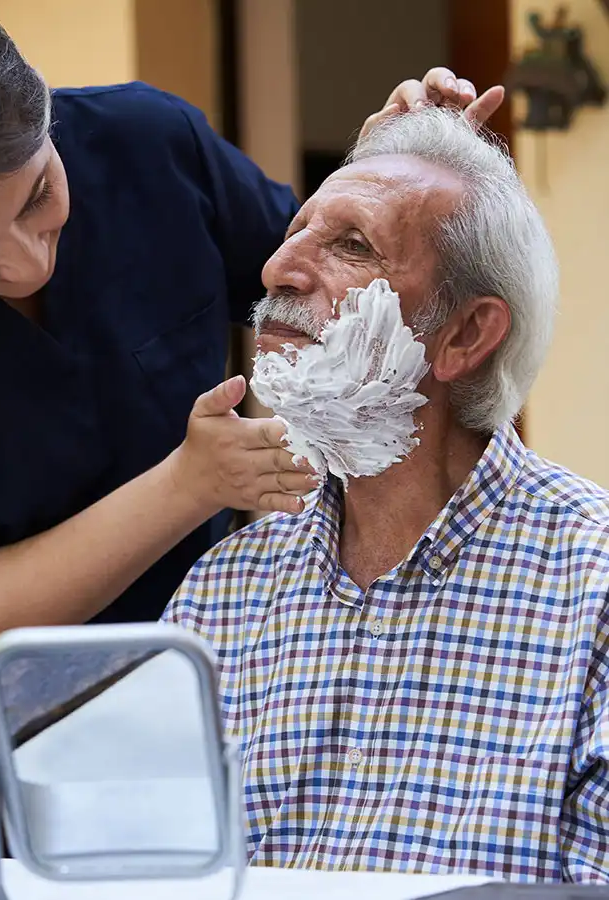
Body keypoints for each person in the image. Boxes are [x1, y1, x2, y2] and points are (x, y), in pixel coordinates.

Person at [0, 0, 503, 863]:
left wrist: (381, 178)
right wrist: (187, 486)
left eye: (39, 194)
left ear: (40, 110)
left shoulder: (149, 146)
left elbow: (320, 294)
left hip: (163, 691)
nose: (29, 258)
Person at [164, 105, 609, 882]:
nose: (278, 269)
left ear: (465, 335)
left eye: (351, 245)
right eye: (294, 230)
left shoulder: (592, 587)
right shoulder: (221, 594)